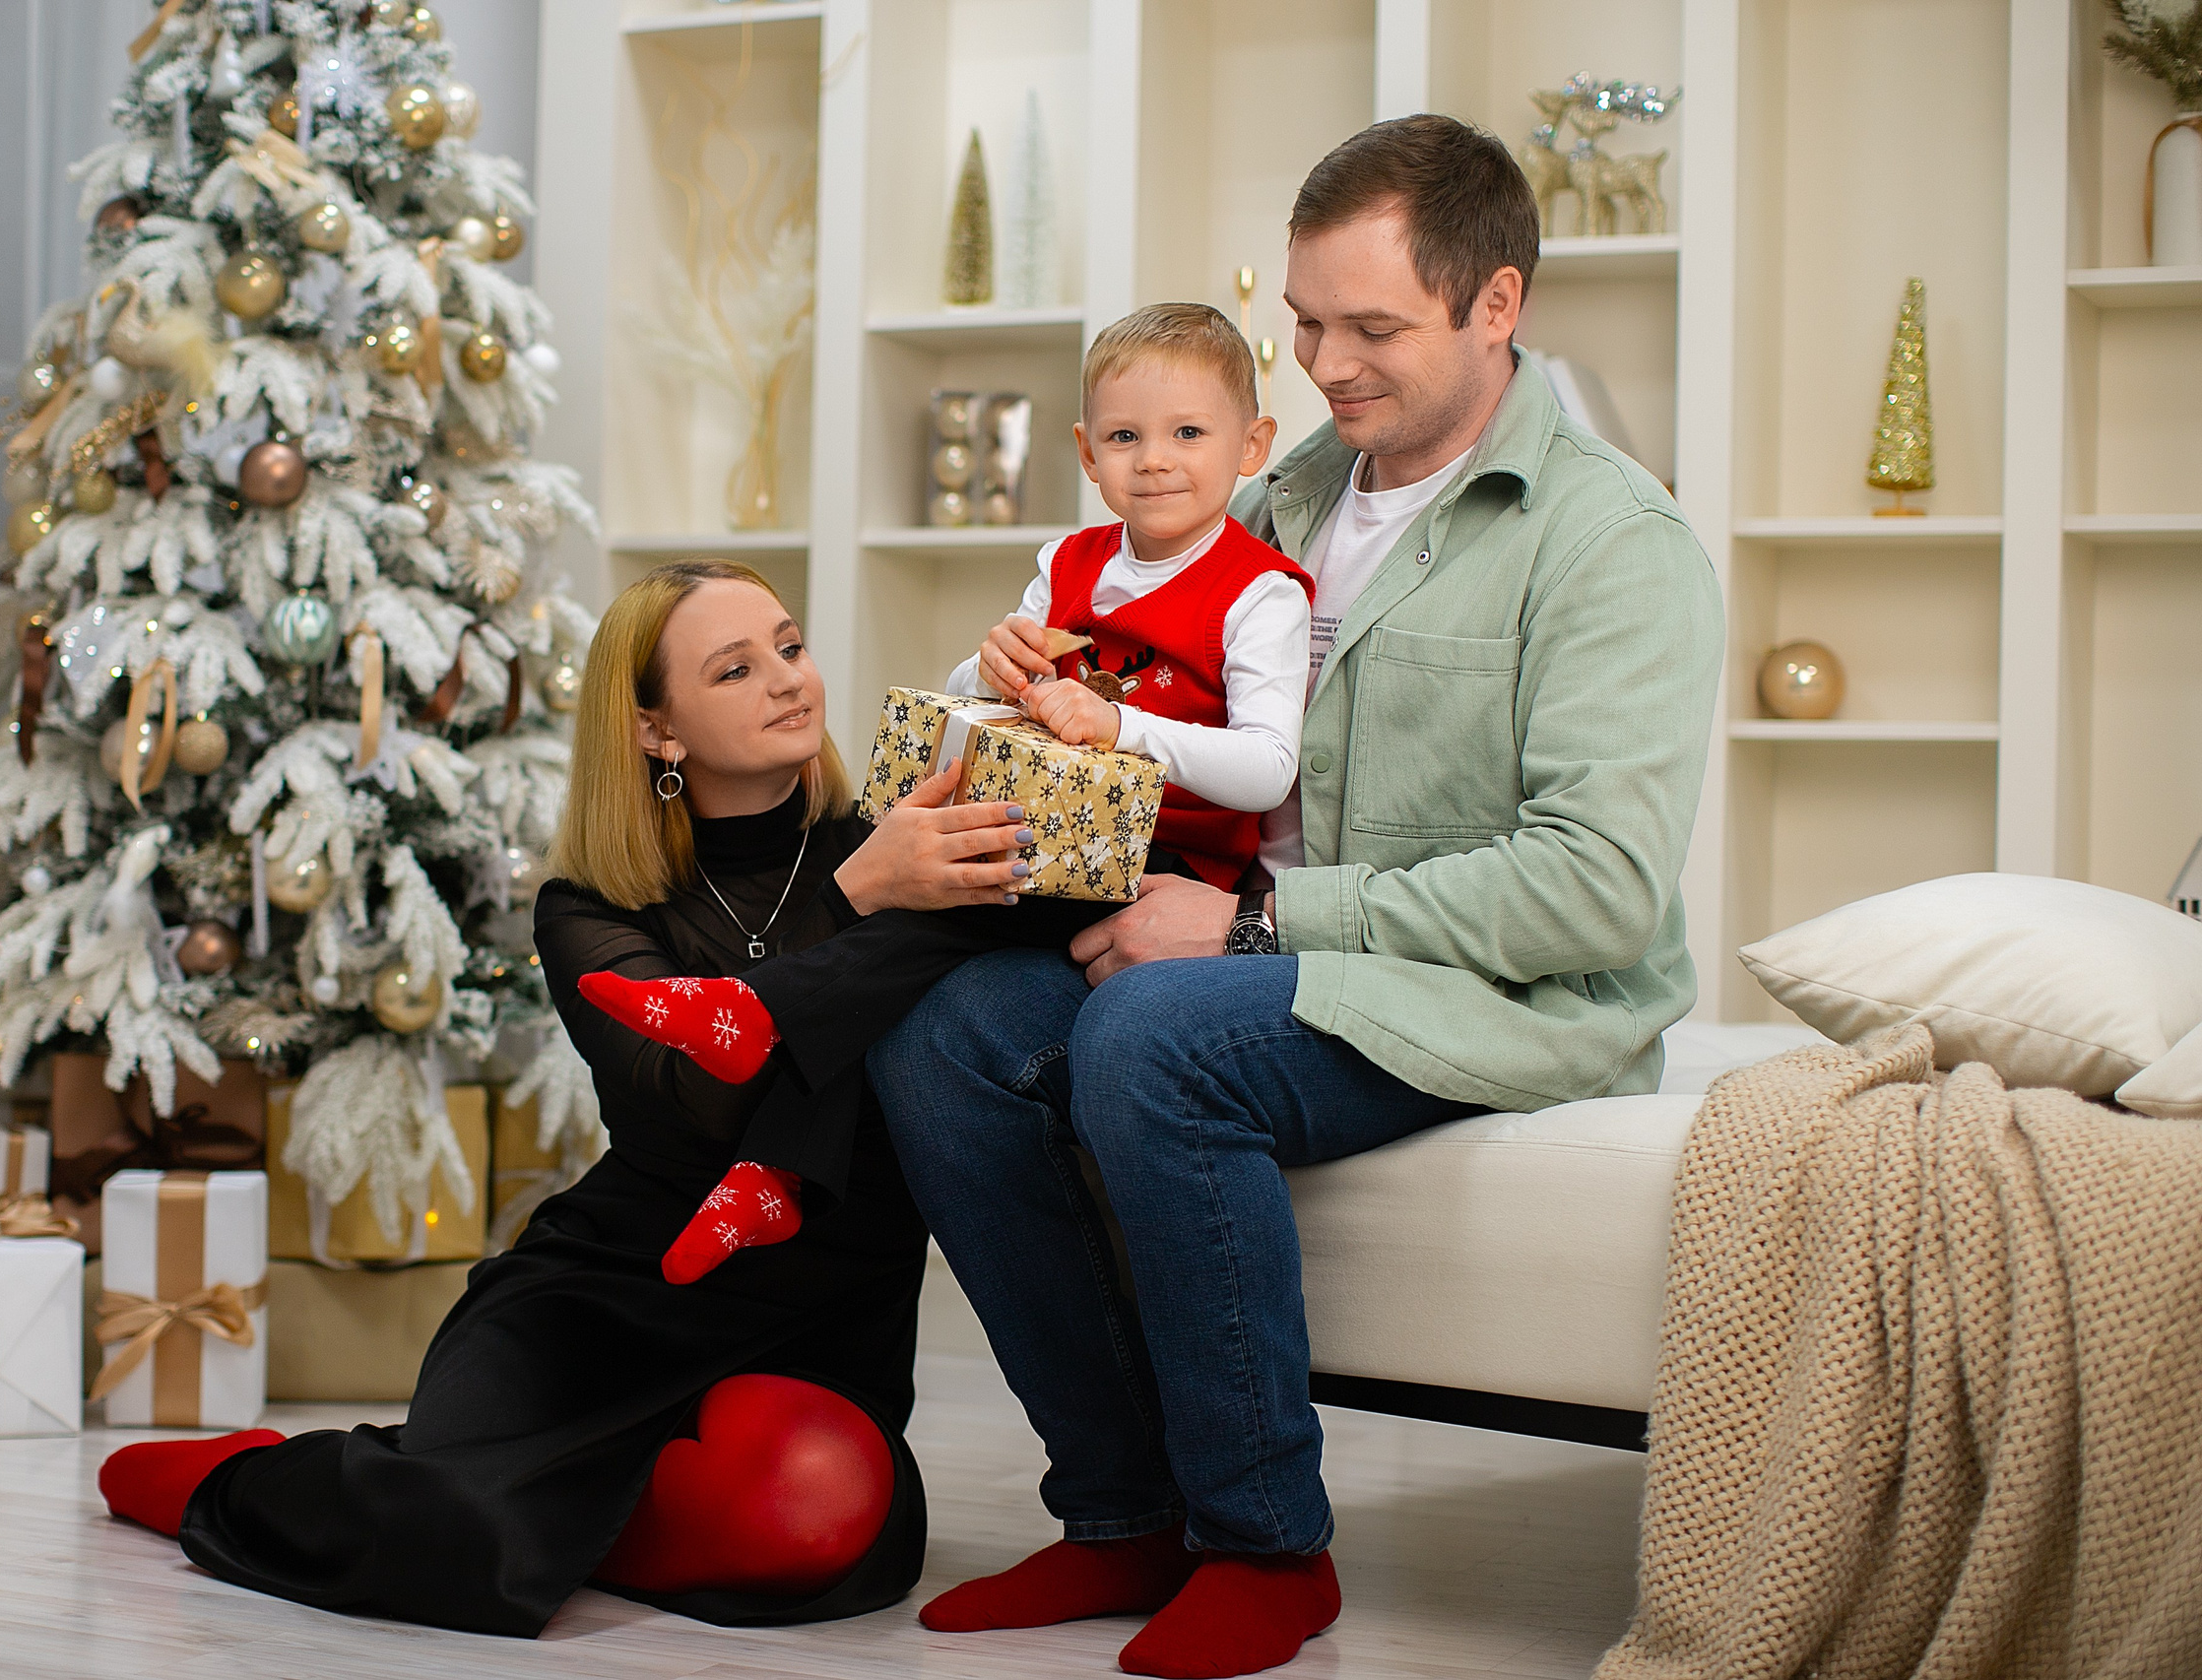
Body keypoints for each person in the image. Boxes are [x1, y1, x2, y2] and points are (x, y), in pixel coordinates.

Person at [868, 114, 1724, 1680]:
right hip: (1235, 934)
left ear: (1496, 306)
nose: (1326, 364)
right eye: (1310, 323)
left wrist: (1260, 926)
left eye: (1373, 328)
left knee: (1157, 1040)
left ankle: (1268, 1544)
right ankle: (1121, 1514)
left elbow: (1596, 890)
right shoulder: (1275, 489)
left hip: (1491, 994)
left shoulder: (1613, 542)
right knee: (949, 1034)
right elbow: (1175, 727)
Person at [92, 559, 1033, 1637]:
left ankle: (529, 1515)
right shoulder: (591, 910)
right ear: (653, 731)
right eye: (734, 668)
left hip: (814, 1315)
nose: (787, 680)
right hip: (601, 1301)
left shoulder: (900, 844)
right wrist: (854, 900)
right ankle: (257, 1482)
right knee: (463, 1517)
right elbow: (697, 1104)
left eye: (789, 645)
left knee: (815, 1514)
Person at [578, 302, 1312, 1285]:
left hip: (1163, 865)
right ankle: (774, 1166)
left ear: (1251, 445)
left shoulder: (1260, 591)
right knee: (919, 946)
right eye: (1127, 437)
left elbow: (1268, 767)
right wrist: (987, 665)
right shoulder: (1068, 562)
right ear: (1087, 453)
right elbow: (976, 692)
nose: (1157, 460)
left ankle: (759, 1037)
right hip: (1050, 830)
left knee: (926, 927)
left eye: (1189, 433)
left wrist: (1123, 727)